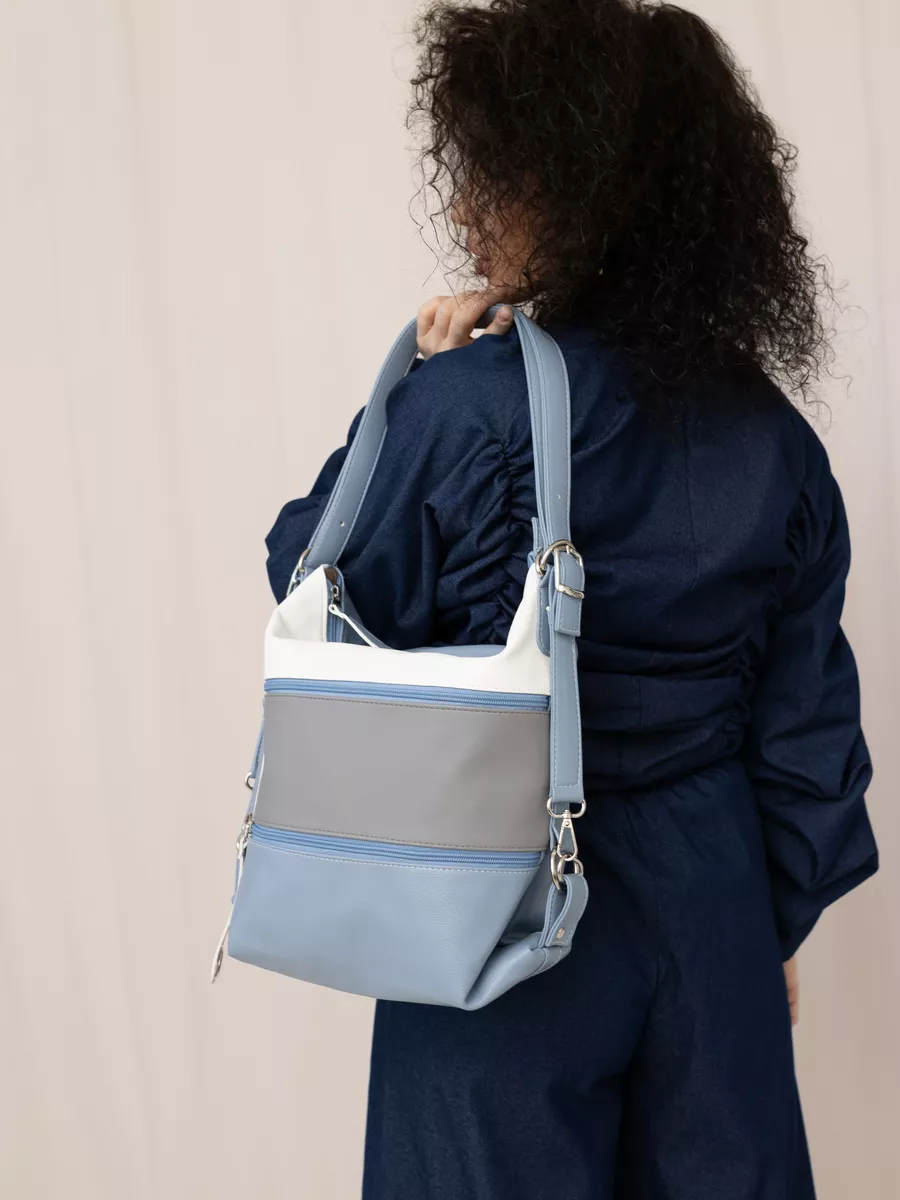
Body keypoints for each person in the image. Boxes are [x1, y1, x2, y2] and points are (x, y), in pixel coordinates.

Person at [264, 1, 877, 1195]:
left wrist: (415, 390)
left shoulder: (470, 408)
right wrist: (765, 925)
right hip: (713, 915)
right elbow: (809, 741)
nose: (465, 209)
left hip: (499, 914)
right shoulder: (778, 443)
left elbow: (316, 587)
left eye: (492, 175)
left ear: (582, 186)